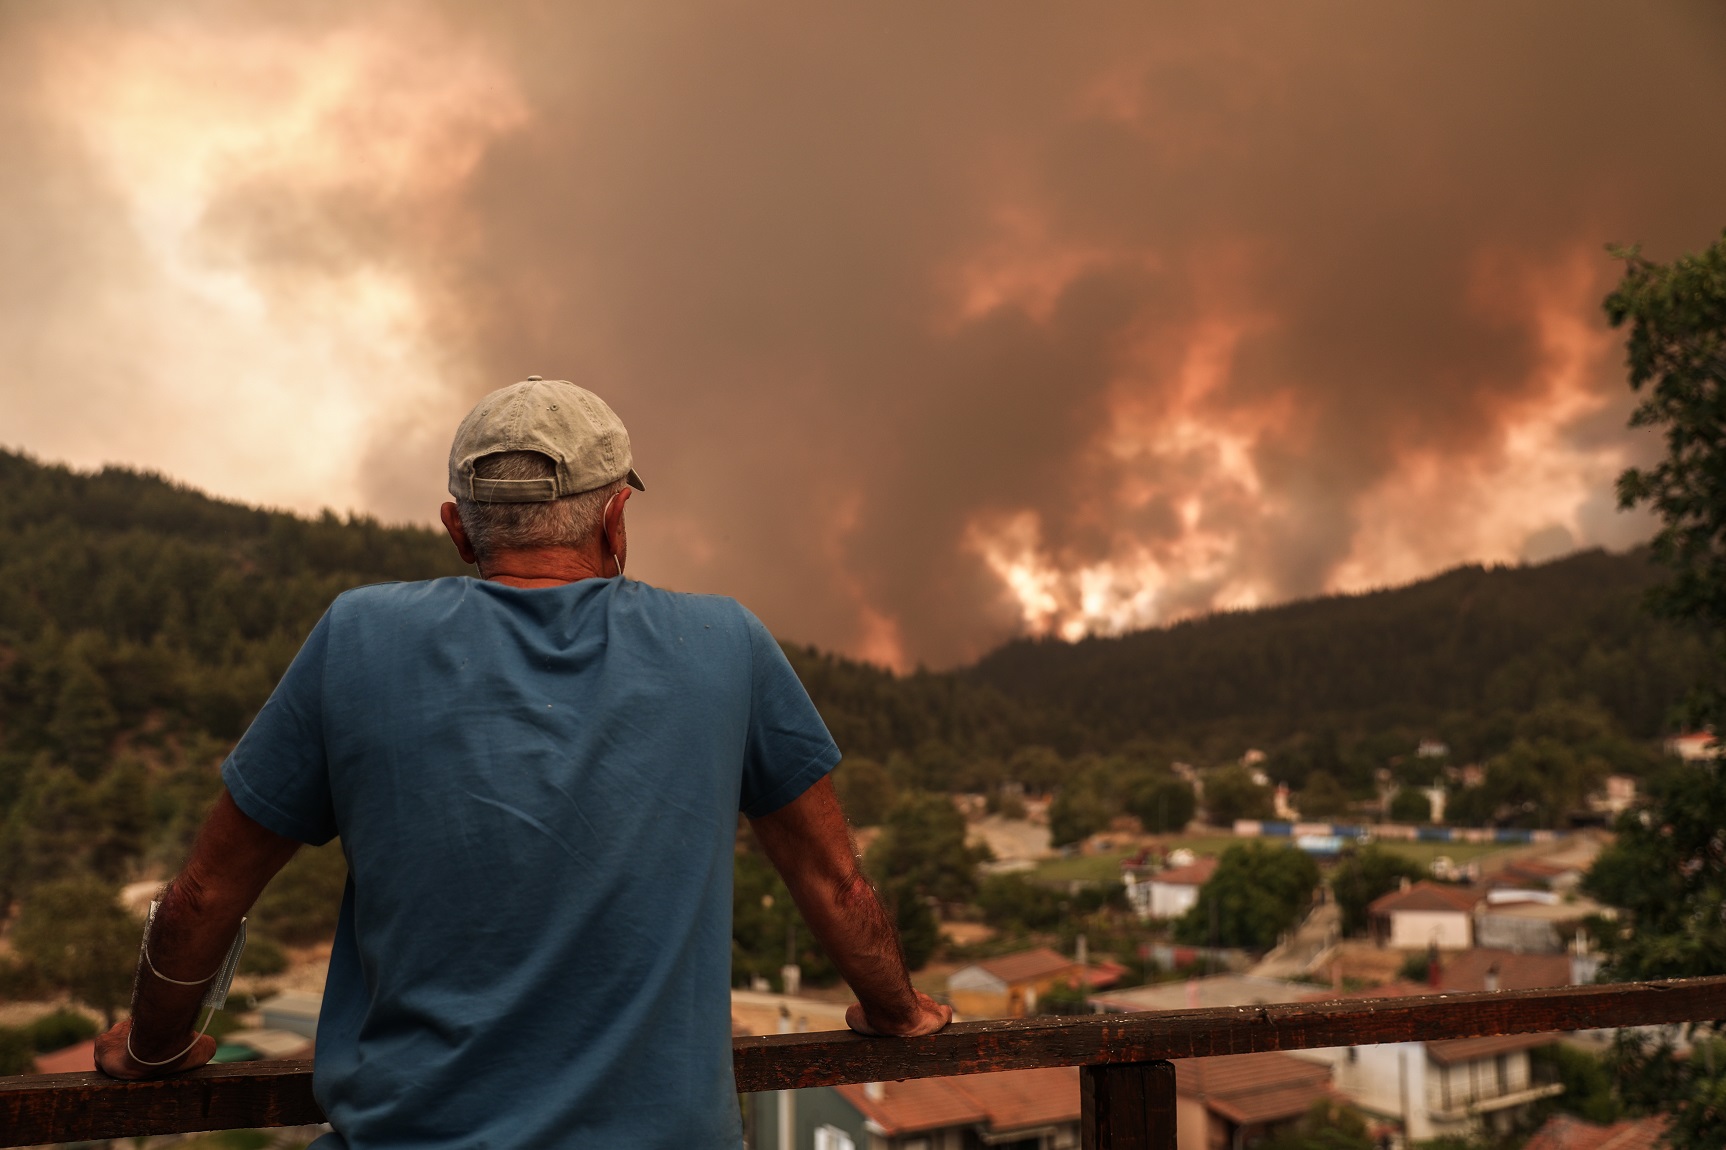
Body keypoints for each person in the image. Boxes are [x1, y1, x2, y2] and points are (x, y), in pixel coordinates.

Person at [94, 377, 951, 1148]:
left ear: (456, 528)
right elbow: (836, 887)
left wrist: (152, 1046)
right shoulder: (724, 643)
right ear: (617, 519)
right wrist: (898, 1011)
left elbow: (205, 894)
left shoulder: (359, 637)